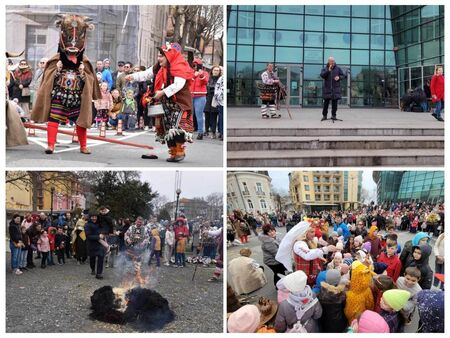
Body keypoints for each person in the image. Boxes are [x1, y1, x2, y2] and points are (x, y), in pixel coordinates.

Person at [32, 15, 101, 155]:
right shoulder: (56, 60)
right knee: (54, 118)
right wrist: (56, 70)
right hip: (60, 94)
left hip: (77, 96)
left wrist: (83, 74)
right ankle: (51, 145)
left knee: (81, 120)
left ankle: (83, 146)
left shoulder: (85, 62)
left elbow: (90, 81)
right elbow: (47, 79)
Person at [127, 43, 195, 162]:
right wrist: (132, 76)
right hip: (165, 102)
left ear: (169, 56)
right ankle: (173, 152)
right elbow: (146, 74)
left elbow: (178, 84)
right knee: (166, 126)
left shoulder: (179, 66)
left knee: (177, 126)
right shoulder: (159, 67)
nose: (159, 59)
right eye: (158, 56)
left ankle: (180, 151)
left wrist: (163, 92)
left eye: (161, 56)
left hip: (179, 102)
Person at [320, 56, 345, 121]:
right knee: (326, 104)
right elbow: (322, 75)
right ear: (328, 61)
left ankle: (333, 116)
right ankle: (324, 116)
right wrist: (328, 70)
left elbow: (344, 75)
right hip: (327, 89)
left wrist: (339, 77)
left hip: (335, 89)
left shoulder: (338, 68)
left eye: (333, 61)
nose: (332, 62)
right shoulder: (325, 68)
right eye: (331, 61)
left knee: (334, 104)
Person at [190, 58, 208, 139]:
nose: (194, 66)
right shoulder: (191, 72)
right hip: (190, 96)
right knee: (189, 115)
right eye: (193, 65)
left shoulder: (205, 73)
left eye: (196, 65)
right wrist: (194, 75)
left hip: (200, 96)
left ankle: (200, 132)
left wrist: (201, 75)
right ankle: (189, 132)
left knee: (199, 115)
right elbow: (188, 82)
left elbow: (205, 82)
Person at [85, 211, 106, 279]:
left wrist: (103, 234)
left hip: (99, 244)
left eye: (95, 217)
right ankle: (93, 269)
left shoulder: (99, 224)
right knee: (92, 258)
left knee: (101, 256)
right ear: (90, 217)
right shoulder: (87, 225)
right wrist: (98, 236)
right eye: (92, 217)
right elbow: (88, 236)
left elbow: (103, 230)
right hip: (91, 244)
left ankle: (99, 273)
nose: (94, 218)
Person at [204, 65, 221, 138]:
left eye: (217, 70)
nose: (216, 72)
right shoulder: (208, 78)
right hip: (208, 97)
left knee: (214, 115)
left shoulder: (220, 79)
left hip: (215, 98)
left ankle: (213, 132)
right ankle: (206, 130)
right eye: (215, 70)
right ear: (212, 71)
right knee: (207, 114)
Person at [213, 73, 224, 140]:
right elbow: (216, 87)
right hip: (221, 101)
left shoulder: (222, 77)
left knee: (222, 118)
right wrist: (217, 96)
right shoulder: (221, 78)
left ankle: (222, 133)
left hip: (222, 101)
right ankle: (222, 133)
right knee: (221, 118)